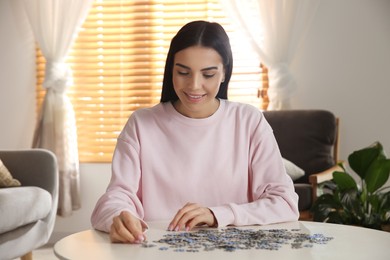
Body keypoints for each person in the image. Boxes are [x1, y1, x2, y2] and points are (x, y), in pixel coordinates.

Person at [91, 20, 299, 244]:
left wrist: (217, 214)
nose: (194, 86)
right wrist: (119, 217)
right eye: (183, 72)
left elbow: (285, 202)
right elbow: (115, 197)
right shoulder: (141, 124)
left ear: (224, 73)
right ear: (171, 69)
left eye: (208, 74)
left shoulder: (248, 120)